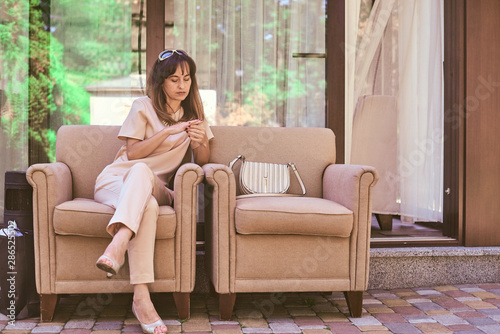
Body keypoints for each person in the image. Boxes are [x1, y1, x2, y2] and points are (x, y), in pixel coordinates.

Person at [93, 49, 213, 334]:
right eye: (174, 79)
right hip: (116, 182)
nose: (182, 85)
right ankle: (142, 297)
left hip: (160, 188)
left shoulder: (195, 117)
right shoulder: (142, 106)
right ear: (161, 82)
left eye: (186, 78)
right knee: (144, 199)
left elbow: (205, 160)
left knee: (145, 178)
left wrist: (197, 143)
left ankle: (118, 243)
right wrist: (167, 133)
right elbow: (133, 153)